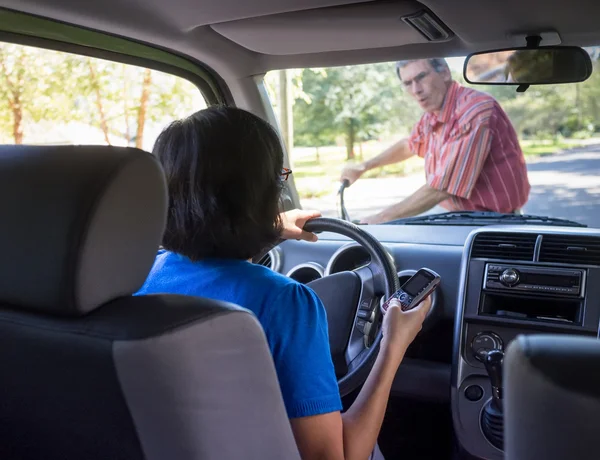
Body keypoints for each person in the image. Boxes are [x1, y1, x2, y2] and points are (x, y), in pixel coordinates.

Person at [136, 106, 432, 460]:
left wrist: (267, 225)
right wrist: (393, 344)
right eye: (279, 178)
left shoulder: (137, 276)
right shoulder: (285, 302)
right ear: (261, 192)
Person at [340, 58, 531, 224]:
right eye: (407, 83)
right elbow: (410, 144)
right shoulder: (432, 115)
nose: (416, 90)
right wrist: (364, 166)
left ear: (445, 73)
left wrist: (380, 219)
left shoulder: (474, 111)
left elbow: (442, 188)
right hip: (461, 220)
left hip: (497, 224)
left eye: (421, 77)